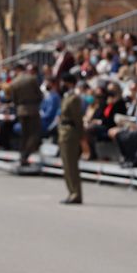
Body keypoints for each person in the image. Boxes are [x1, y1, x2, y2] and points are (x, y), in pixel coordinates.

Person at [8, 64, 43, 166]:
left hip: (21, 109)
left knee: (24, 135)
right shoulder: (32, 79)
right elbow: (39, 94)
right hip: (32, 109)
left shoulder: (14, 82)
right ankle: (25, 155)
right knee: (34, 133)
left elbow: (13, 99)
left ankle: (22, 154)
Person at [57, 73, 84, 204]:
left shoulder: (74, 99)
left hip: (70, 132)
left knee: (71, 165)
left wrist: (81, 135)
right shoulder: (66, 96)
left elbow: (77, 119)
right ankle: (71, 191)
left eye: (64, 82)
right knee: (66, 166)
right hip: (63, 132)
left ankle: (76, 193)